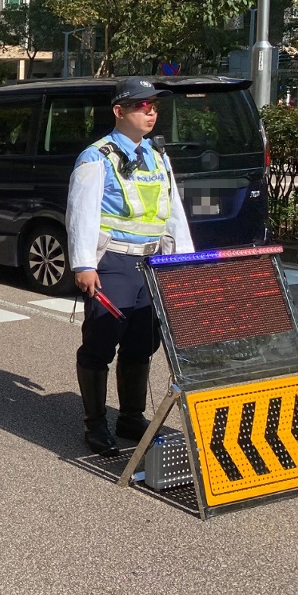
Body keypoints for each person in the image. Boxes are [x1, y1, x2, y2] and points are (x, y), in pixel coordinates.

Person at [66, 77, 193, 457]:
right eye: (141, 106)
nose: (150, 112)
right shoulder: (96, 157)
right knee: (100, 343)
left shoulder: (158, 156)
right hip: (114, 262)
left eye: (153, 106)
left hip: (151, 262)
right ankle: (94, 424)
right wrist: (84, 265)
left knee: (142, 343)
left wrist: (183, 260)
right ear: (119, 111)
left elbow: (172, 212)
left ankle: (131, 418)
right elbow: (81, 213)